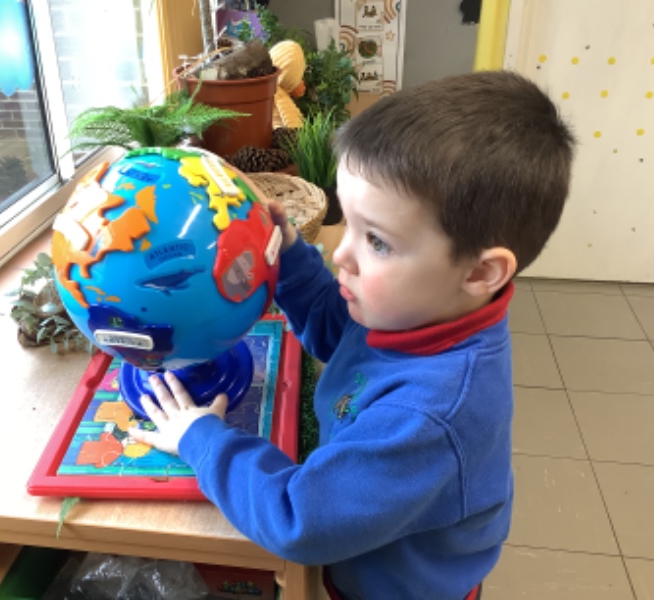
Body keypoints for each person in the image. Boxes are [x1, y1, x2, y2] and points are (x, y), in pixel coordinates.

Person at [129, 70, 575, 600]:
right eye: (351, 225)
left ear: (480, 272)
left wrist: (201, 439)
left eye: (377, 242)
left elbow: (300, 519)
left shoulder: (430, 414)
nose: (341, 253)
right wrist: (289, 253)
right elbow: (338, 332)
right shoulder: (423, 310)